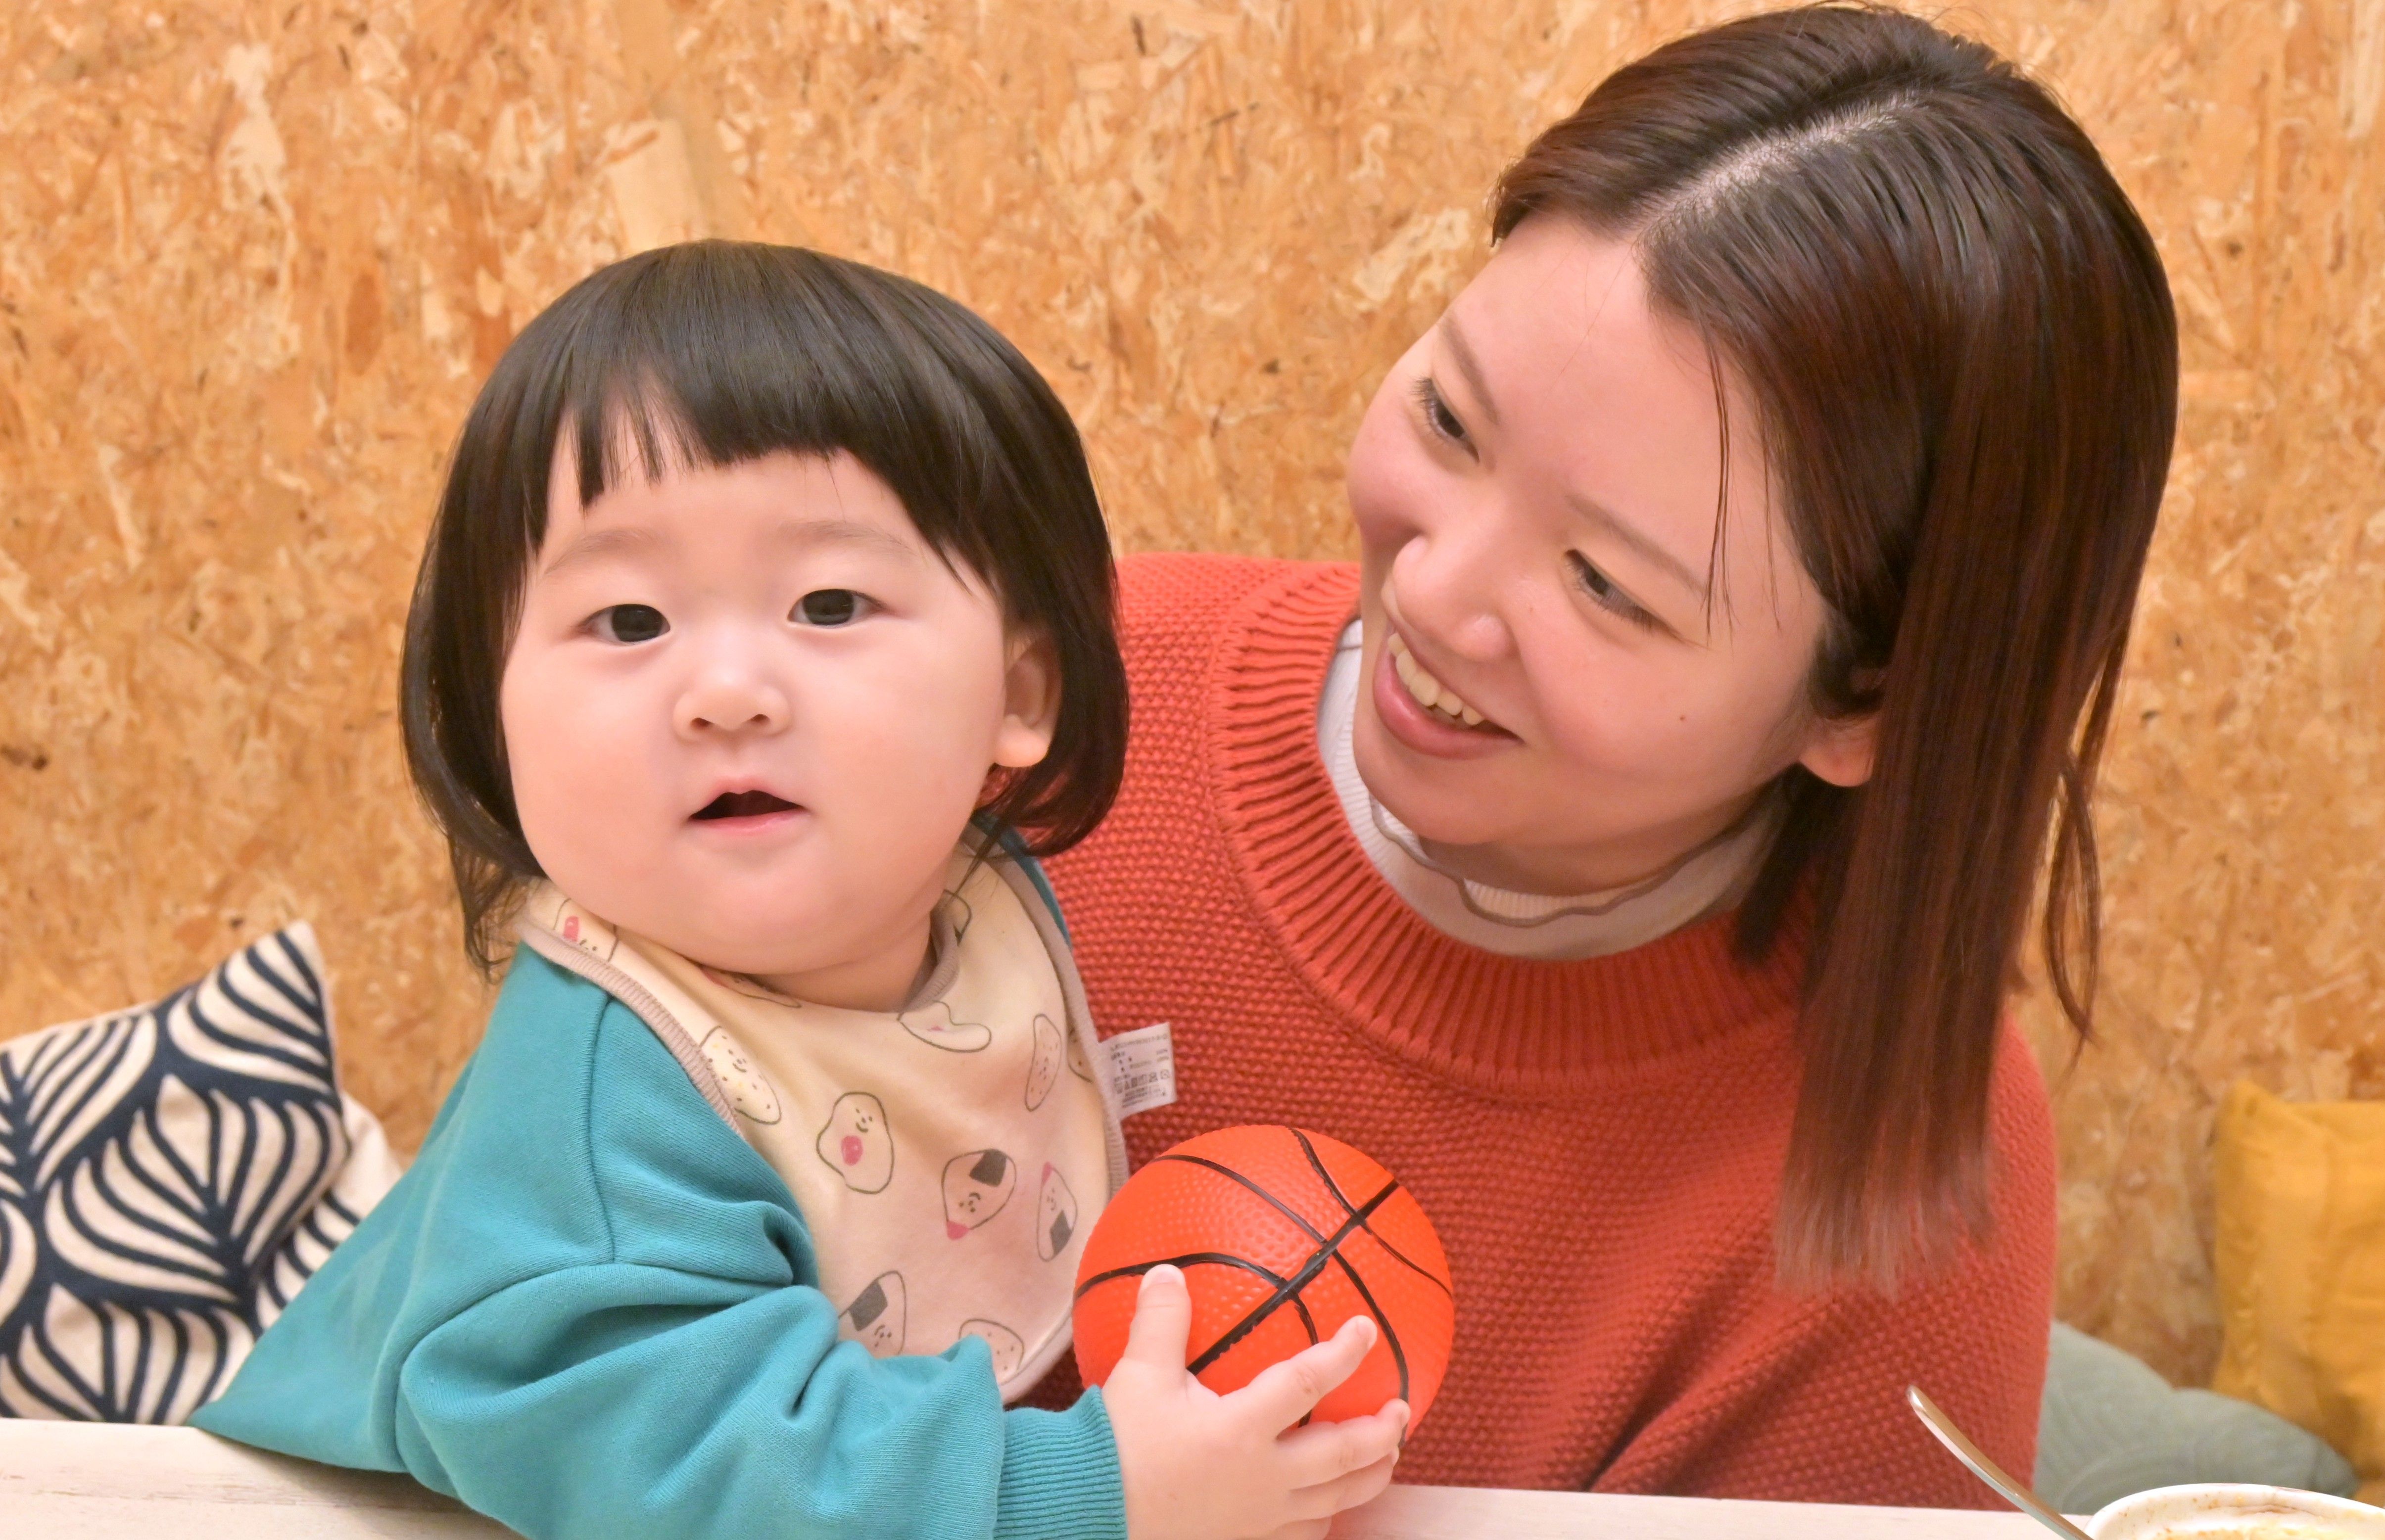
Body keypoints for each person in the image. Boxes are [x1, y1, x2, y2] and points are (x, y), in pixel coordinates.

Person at [1042, 3, 2178, 1505]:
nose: (1434, 591)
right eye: (1449, 419)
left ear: (1867, 705)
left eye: (1605, 585)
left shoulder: (1901, 1174)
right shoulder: (1044, 709)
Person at [193, 242, 1407, 1540]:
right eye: (628, 621)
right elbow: (712, 1481)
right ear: (492, 713)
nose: (726, 692)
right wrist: (1094, 1490)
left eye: (828, 603)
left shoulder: (978, 904)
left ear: (1018, 693)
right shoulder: (609, 1116)